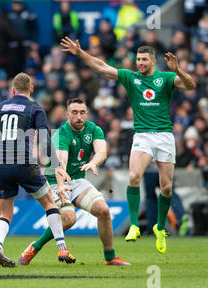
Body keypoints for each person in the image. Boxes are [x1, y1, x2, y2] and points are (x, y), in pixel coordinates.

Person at [60, 36, 196, 253]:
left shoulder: (166, 78)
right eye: (138, 59)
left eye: (144, 59)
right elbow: (103, 68)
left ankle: (160, 228)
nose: (140, 63)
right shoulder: (131, 77)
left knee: (167, 187)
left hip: (164, 136)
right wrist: (80, 53)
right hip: (142, 135)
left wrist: (178, 70)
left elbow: (190, 85)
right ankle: (134, 225)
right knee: (134, 177)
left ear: (153, 61)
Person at [19, 98, 130, 266]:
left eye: (82, 112)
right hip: (55, 181)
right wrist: (62, 185)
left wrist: (93, 163)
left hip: (77, 180)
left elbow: (102, 152)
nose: (79, 116)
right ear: (67, 115)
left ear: (87, 114)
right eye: (75, 112)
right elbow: (60, 163)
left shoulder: (94, 129)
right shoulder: (61, 134)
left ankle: (110, 257)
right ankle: (35, 247)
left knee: (103, 210)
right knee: (69, 219)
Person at [0, 72, 75, 268]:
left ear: (12, 90)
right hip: (25, 163)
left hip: (1, 164)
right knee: (50, 204)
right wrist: (56, 164)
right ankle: (62, 248)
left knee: (5, 213)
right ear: (31, 89)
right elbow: (44, 138)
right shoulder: (35, 108)